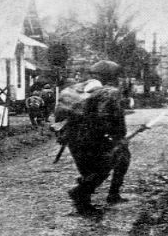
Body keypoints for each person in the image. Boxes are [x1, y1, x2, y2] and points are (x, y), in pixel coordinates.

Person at [54, 60, 130, 215]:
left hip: (72, 136)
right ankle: (82, 194)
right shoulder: (110, 92)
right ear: (112, 76)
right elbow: (110, 117)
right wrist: (119, 136)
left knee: (88, 170)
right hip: (92, 136)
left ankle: (84, 203)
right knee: (111, 162)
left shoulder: (77, 89)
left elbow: (61, 113)